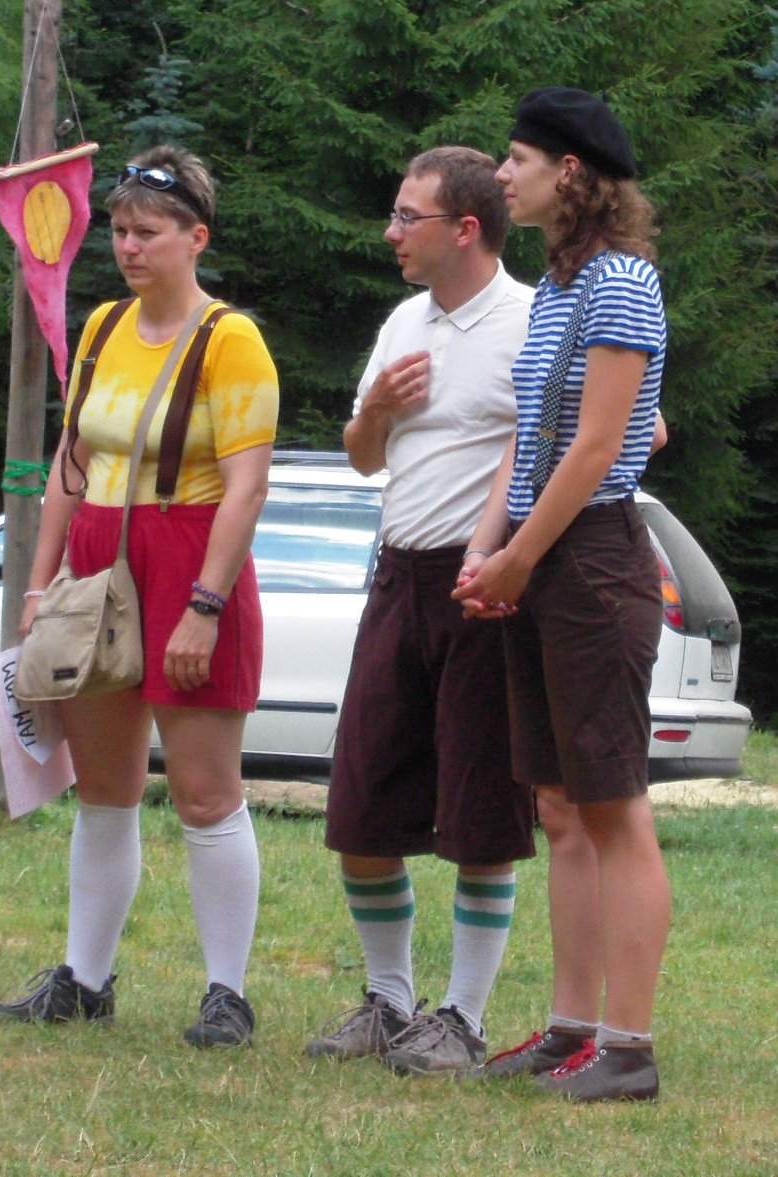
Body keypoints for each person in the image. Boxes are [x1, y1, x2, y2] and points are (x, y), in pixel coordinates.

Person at [0, 145, 279, 1049]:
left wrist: (205, 605)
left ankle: (226, 993)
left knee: (204, 791)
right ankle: (85, 978)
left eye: (147, 231)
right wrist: (41, 583)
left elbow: (247, 487)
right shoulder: (105, 327)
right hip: (98, 563)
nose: (128, 246)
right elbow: (71, 462)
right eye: (117, 230)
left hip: (190, 555)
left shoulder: (230, 338)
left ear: (197, 237)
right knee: (104, 790)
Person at [453, 87, 670, 1102]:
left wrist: (521, 557)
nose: (502, 175)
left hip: (591, 561)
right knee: (561, 807)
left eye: (517, 159)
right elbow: (529, 435)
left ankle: (628, 1049)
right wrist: (485, 546)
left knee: (613, 807)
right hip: (545, 556)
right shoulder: (559, 286)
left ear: (570, 173)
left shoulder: (621, 281)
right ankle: (573, 1030)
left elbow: (597, 448)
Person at [304, 146, 536, 1076]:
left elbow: (579, 441)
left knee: (482, 812)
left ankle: (463, 1017)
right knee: (361, 803)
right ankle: (390, 1001)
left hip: (480, 588)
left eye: (409, 217)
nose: (390, 232)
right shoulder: (405, 319)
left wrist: (504, 555)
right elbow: (364, 455)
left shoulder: (531, 320)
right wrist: (375, 410)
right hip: (397, 574)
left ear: (465, 229)